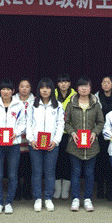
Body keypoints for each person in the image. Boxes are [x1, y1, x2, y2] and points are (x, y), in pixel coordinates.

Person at [0, 79, 26, 214]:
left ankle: (9, 202)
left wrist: (16, 133)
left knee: (12, 174)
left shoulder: (19, 105)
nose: (6, 92)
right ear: (0, 91)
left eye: (8, 89)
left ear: (13, 91)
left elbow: (23, 123)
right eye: (3, 89)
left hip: (13, 143)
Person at [65, 77, 104, 212]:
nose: (83, 89)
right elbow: (66, 122)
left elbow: (100, 122)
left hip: (91, 145)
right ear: (77, 88)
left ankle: (88, 199)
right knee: (75, 172)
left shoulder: (96, 104)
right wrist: (72, 133)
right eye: (81, 86)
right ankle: (75, 199)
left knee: (89, 173)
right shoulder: (71, 104)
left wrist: (94, 133)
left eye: (86, 86)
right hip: (74, 145)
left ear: (90, 88)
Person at [27, 78, 65, 212]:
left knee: (50, 172)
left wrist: (56, 141)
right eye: (42, 88)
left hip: (52, 144)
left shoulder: (58, 105)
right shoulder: (32, 105)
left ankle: (48, 198)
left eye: (48, 88)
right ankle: (38, 198)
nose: (45, 90)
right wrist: (31, 139)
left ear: (52, 90)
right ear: (38, 90)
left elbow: (61, 124)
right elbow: (28, 123)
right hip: (35, 144)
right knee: (36, 172)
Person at [94, 75, 112, 200]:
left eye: (108, 82)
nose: (106, 84)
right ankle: (100, 189)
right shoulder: (95, 98)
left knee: (111, 163)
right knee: (100, 162)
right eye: (103, 82)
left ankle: (109, 190)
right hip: (99, 135)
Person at [54, 73, 76, 199]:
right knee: (56, 161)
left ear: (69, 83)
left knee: (68, 161)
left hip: (70, 133)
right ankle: (57, 189)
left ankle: (65, 190)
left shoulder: (75, 96)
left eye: (66, 81)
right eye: (61, 82)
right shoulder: (52, 95)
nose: (63, 84)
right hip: (55, 134)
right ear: (58, 84)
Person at [13, 79, 34, 201]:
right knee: (16, 166)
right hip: (15, 138)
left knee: (28, 166)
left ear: (30, 88)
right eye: (22, 86)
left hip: (30, 139)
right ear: (18, 88)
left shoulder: (35, 101)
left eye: (27, 86)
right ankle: (16, 189)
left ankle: (27, 189)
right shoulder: (12, 100)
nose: (24, 89)